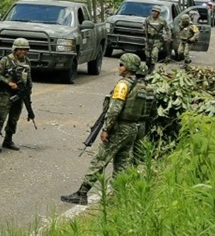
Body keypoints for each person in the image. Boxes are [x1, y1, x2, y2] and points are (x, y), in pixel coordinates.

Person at [61, 53, 151, 205]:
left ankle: (82, 193)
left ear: (128, 68)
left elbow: (114, 109)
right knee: (122, 163)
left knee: (100, 160)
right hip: (132, 129)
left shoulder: (123, 85)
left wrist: (106, 129)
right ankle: (118, 197)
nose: (119, 67)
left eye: (122, 65)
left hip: (120, 128)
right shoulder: (142, 86)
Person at [0, 37, 31, 152]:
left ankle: (8, 139)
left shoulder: (26, 61)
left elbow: (29, 79)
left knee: (14, 117)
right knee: (0, 116)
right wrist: (9, 83)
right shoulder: (6, 60)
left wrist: (28, 94)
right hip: (7, 93)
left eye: (25, 49)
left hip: (20, 93)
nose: (23, 52)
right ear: (15, 49)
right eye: (21, 49)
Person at [143, 5, 169, 72]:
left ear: (158, 13)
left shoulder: (162, 20)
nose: (154, 13)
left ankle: (152, 67)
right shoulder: (148, 19)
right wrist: (145, 31)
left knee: (154, 53)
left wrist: (168, 37)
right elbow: (144, 26)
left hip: (157, 40)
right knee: (147, 55)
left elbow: (167, 29)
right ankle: (148, 67)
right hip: (149, 39)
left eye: (156, 12)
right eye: (153, 11)